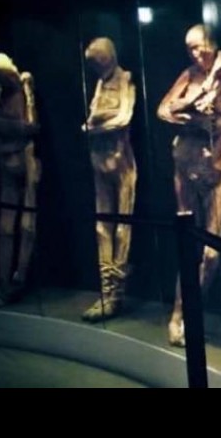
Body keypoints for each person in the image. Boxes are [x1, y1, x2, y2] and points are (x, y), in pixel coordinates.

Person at [157, 24, 221, 347]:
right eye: (189, 48)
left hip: (216, 163)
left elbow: (218, 120)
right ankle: (178, 316)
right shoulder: (190, 75)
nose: (194, 54)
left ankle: (189, 311)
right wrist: (192, 109)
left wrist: (188, 109)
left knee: (211, 252)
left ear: (212, 44)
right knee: (186, 242)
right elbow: (164, 109)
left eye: (198, 46)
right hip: (185, 160)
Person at [81, 37, 137, 322]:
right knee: (102, 227)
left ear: (109, 57)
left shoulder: (125, 79)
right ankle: (106, 291)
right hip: (99, 161)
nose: (96, 67)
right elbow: (91, 118)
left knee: (122, 228)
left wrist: (95, 126)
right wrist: (97, 122)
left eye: (98, 61)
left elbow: (123, 118)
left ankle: (116, 293)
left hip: (121, 163)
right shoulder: (100, 84)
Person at [0, 53, 41, 307]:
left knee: (27, 220)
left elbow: (31, 127)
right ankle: (4, 282)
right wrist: (10, 126)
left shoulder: (24, 86)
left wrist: (5, 125)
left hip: (25, 156)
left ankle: (19, 278)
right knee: (5, 226)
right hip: (6, 158)